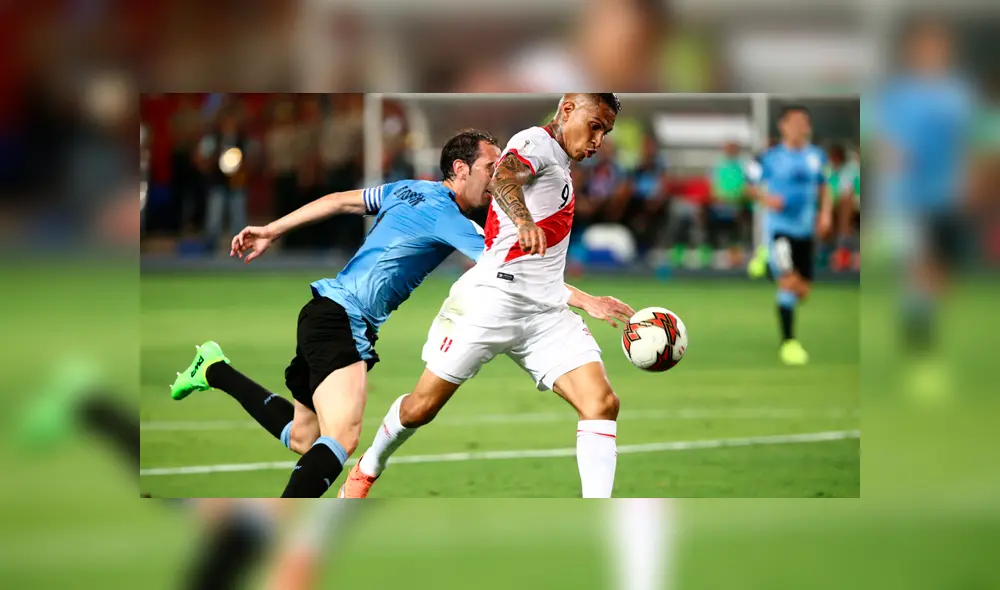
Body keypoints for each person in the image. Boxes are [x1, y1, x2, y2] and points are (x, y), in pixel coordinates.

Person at [169, 129, 501, 497]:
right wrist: (575, 297)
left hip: (323, 311)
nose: (497, 177)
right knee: (341, 437)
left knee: (303, 437)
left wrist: (273, 229)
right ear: (461, 168)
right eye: (491, 166)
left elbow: (339, 201)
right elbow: (510, 271)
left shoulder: (410, 188)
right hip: (343, 320)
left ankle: (213, 368)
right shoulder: (451, 218)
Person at [341, 93, 636, 499]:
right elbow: (503, 177)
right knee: (420, 408)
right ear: (567, 110)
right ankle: (368, 467)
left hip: (545, 315)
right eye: (595, 126)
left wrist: (586, 300)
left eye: (606, 132)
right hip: (491, 302)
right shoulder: (534, 142)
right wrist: (523, 219)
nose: (598, 140)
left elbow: (541, 270)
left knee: (601, 403)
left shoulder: (562, 162)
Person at [746, 105, 833, 366]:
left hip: (805, 231)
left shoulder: (817, 157)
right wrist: (767, 198)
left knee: (802, 290)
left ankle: (766, 262)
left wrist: (826, 214)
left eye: (803, 122)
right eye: (793, 121)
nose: (798, 127)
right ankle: (789, 344)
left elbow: (825, 187)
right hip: (780, 230)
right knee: (788, 283)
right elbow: (749, 185)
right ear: (783, 126)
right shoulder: (770, 158)